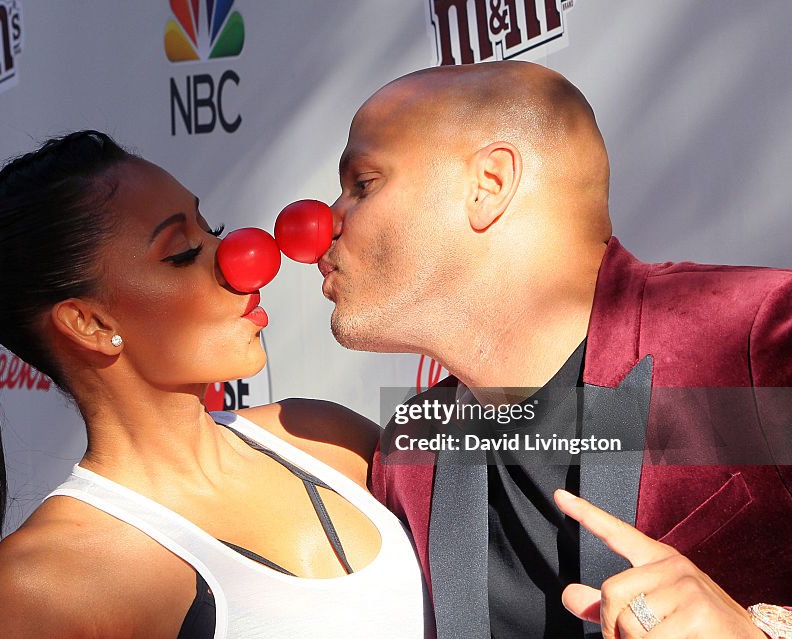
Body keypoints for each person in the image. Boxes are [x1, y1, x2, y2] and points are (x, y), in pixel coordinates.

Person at [0, 130, 429, 639]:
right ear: (89, 324)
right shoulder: (51, 577)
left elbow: (510, 457)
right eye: (182, 254)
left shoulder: (322, 434)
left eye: (210, 229)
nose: (245, 260)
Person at [339, 62, 792, 638]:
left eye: (363, 184)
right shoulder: (412, 451)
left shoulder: (759, 332)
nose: (319, 227)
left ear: (490, 184)